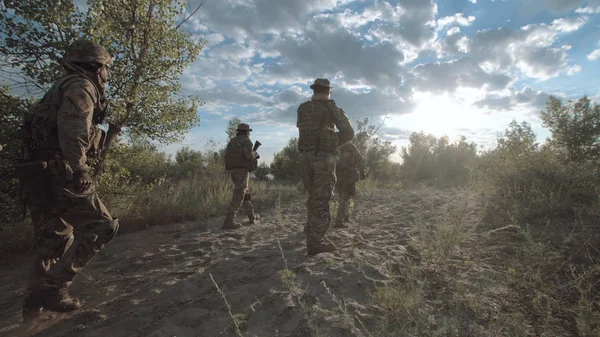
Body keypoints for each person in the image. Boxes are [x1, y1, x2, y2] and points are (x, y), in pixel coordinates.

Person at [20, 39, 119, 319]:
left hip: (37, 170)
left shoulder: (60, 88)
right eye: (107, 69)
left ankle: (32, 308)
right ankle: (53, 287)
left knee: (53, 239)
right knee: (102, 226)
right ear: (95, 67)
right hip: (60, 169)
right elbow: (72, 128)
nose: (107, 75)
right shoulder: (81, 86)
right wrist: (80, 169)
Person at [297, 78, 354, 255]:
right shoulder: (331, 108)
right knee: (322, 200)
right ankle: (315, 242)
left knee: (313, 196)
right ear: (329, 91)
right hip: (323, 159)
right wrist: (334, 143)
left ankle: (310, 228)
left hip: (305, 158)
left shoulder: (303, 108)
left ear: (314, 90)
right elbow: (349, 132)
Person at [223, 123, 261, 229]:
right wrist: (255, 154)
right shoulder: (247, 141)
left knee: (245, 194)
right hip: (242, 172)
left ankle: (252, 217)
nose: (249, 133)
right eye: (249, 131)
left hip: (233, 171)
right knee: (239, 196)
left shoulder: (232, 141)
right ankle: (228, 221)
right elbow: (248, 156)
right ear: (247, 132)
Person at [333, 142, 366, 228]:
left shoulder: (335, 146)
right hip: (348, 177)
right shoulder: (350, 146)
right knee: (345, 197)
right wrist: (362, 172)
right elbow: (360, 159)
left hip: (338, 177)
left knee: (344, 196)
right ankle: (339, 221)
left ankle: (346, 216)